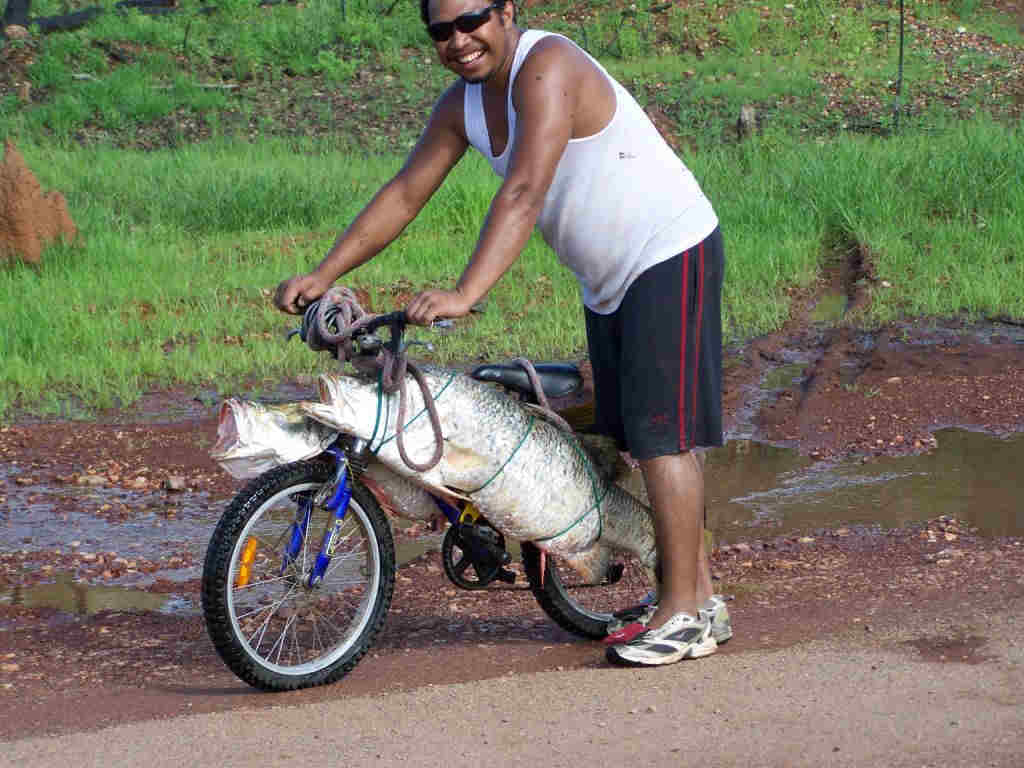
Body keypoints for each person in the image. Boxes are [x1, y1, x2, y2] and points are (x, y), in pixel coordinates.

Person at [274, 0, 730, 666]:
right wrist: (323, 273)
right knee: (635, 434)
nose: (458, 40)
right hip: (606, 279)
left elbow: (524, 191)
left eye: (472, 20)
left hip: (667, 252)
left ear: (507, 11)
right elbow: (406, 192)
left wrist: (465, 293)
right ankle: (699, 601)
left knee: (665, 440)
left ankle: (683, 614)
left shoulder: (546, 68)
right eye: (440, 31)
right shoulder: (462, 105)